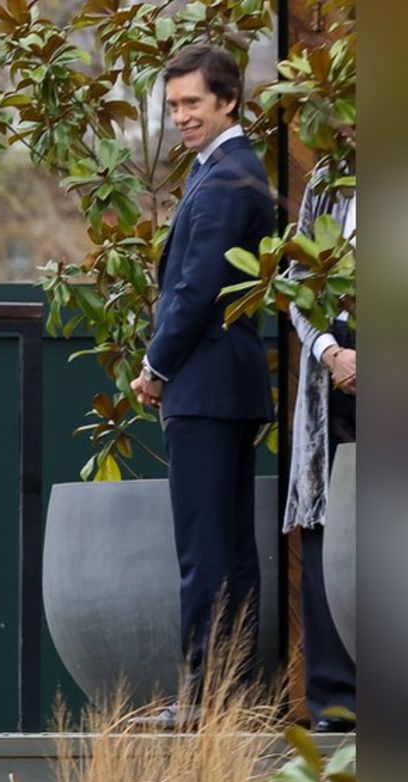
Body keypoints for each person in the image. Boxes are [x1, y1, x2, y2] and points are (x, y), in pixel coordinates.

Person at [130, 43, 275, 728]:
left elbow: (195, 287)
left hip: (206, 387)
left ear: (228, 101)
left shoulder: (226, 179)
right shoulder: (227, 170)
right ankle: (229, 695)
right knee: (230, 549)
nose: (181, 116)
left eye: (192, 103)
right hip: (227, 387)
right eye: (174, 106)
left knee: (206, 550)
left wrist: (156, 367)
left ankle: (204, 701)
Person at [282, 168, 357, 733]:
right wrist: (331, 352)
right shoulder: (326, 182)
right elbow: (294, 285)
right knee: (327, 521)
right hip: (332, 375)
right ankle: (335, 699)